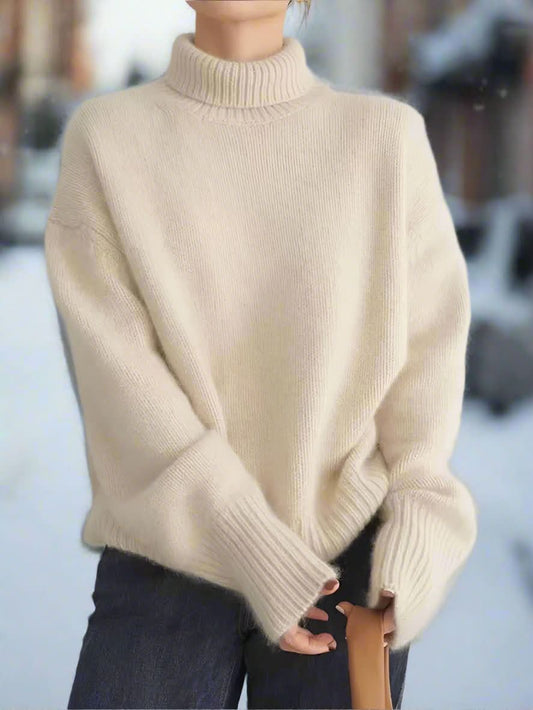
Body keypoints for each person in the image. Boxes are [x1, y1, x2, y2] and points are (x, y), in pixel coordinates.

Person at [43, 1, 478, 708]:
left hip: (347, 570)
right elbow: (118, 379)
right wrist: (248, 543)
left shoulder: (384, 141)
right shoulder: (108, 140)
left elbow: (425, 360)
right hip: (167, 554)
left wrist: (417, 534)